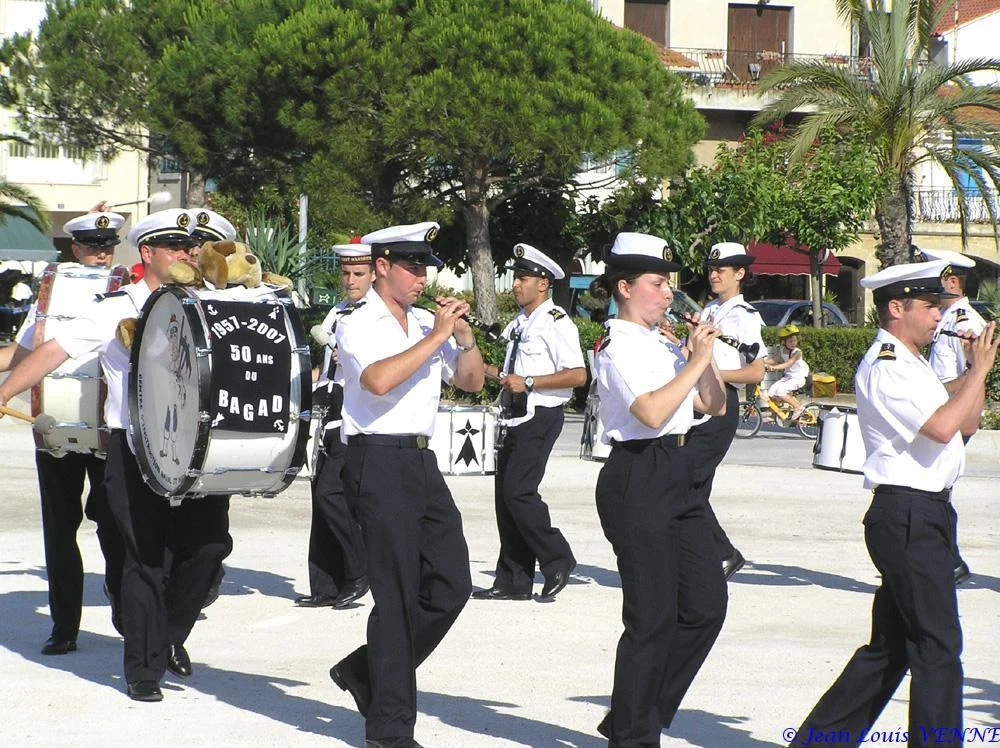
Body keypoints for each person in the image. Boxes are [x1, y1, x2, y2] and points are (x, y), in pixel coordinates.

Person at [0, 209, 231, 702]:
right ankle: (144, 671)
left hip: (196, 451)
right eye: (174, 246)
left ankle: (166, 635)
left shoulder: (208, 303)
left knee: (209, 548)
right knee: (143, 559)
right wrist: (4, 394)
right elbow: (53, 351)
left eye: (189, 246)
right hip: (135, 448)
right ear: (147, 254)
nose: (188, 253)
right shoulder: (115, 307)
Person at [788, 260, 999, 748]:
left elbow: (965, 422)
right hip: (906, 514)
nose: (938, 317)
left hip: (927, 513)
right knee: (939, 645)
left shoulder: (911, 365)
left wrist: (972, 370)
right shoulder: (885, 366)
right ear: (896, 308)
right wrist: (980, 368)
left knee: (892, 649)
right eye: (929, 306)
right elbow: (942, 428)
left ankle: (819, 741)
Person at [328, 221, 483, 748]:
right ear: (381, 268)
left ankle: (365, 671)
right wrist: (438, 336)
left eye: (425, 268)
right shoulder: (357, 323)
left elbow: (470, 382)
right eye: (412, 267)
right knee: (394, 596)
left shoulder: (423, 322)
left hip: (420, 459)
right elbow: (377, 380)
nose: (422, 278)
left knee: (451, 584)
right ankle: (389, 729)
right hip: (376, 459)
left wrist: (462, 339)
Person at [590, 232, 728, 748]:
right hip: (636, 473)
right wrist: (692, 361)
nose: (668, 294)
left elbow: (711, 405)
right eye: (656, 284)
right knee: (651, 618)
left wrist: (703, 356)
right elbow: (649, 411)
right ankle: (633, 734)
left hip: (676, 466)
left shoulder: (662, 341)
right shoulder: (614, 343)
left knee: (706, 606)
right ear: (624, 287)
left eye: (668, 284)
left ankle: (634, 712)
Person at [0, 211, 127, 654]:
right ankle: (65, 625)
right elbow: (24, 352)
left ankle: (123, 602)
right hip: (54, 428)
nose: (102, 254)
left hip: (109, 427)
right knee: (59, 529)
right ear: (75, 249)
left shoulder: (128, 291)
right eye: (93, 246)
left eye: (108, 246)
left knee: (114, 526)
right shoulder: (50, 294)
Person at [472, 243, 585, 602]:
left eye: (523, 278)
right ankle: (513, 580)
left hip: (540, 415)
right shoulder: (520, 323)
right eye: (515, 278)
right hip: (514, 415)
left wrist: (531, 382)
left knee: (518, 492)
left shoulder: (557, 322)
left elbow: (579, 375)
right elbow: (512, 374)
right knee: (504, 498)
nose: (516, 285)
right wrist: (486, 369)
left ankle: (558, 558)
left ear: (544, 283)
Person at [294, 242, 372, 609]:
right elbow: (325, 368)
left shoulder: (377, 316)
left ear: (375, 274)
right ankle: (325, 585)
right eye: (346, 273)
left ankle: (359, 572)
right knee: (319, 497)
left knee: (332, 495)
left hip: (355, 409)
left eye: (358, 273)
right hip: (328, 407)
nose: (350, 280)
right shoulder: (337, 313)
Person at [687, 242, 765, 580]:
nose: (714, 274)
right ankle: (709, 554)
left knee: (688, 482)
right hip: (697, 400)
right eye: (711, 269)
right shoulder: (708, 311)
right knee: (691, 485)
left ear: (740, 274)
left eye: (722, 269)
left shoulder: (744, 315)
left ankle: (722, 553)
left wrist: (711, 372)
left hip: (722, 400)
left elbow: (756, 371)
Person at [765, 324, 810, 420]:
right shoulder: (781, 349)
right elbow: (774, 359)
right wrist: (761, 362)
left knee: (781, 391)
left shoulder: (797, 352)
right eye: (790, 341)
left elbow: (788, 364)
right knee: (771, 392)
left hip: (798, 377)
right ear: (783, 341)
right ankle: (774, 415)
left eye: (795, 340)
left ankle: (798, 407)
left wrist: (774, 368)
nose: (793, 343)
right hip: (788, 377)